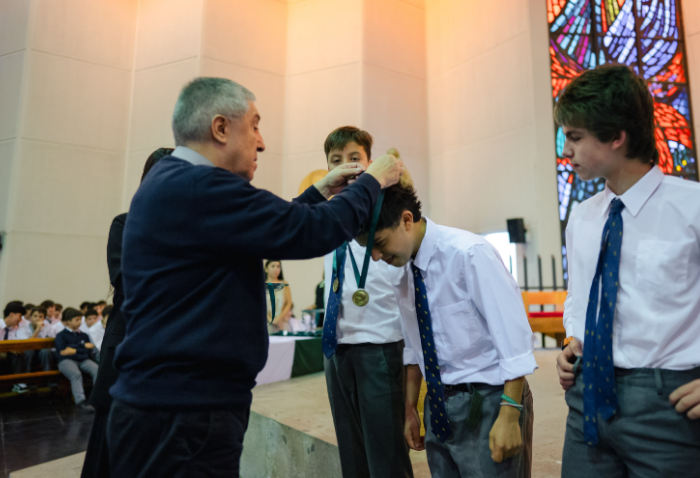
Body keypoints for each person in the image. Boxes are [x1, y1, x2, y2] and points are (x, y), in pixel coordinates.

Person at [106, 77, 402, 478]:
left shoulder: (179, 182)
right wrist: (372, 180)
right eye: (255, 125)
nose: (261, 142)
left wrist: (318, 191)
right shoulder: (202, 186)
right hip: (184, 413)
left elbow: (273, 225)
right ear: (220, 128)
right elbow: (307, 230)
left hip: (174, 406)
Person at [554, 65, 700, 477]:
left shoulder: (691, 207)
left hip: (666, 403)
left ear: (616, 137)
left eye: (575, 137)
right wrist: (572, 339)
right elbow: (580, 296)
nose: (566, 151)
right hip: (585, 396)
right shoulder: (583, 217)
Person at [356, 183, 537, 478]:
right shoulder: (400, 269)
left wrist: (509, 412)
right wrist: (410, 407)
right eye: (369, 250)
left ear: (406, 220)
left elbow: (514, 341)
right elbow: (414, 346)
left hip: (489, 400)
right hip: (438, 404)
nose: (376, 256)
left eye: (379, 243)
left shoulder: (469, 254)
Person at [321, 126, 413, 478]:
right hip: (336, 348)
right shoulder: (327, 216)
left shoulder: (386, 211)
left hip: (380, 346)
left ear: (370, 162)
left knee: (386, 457)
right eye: (336, 160)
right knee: (352, 456)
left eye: (354, 158)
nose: (346, 166)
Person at [81, 147, 174, 478]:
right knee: (109, 455)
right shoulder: (126, 223)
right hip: (126, 351)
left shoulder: (189, 230)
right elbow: (128, 280)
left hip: (167, 357)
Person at [55, 307, 98, 412]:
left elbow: (88, 350)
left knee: (97, 369)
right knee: (75, 374)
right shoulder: (61, 335)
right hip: (66, 360)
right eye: (76, 320)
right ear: (68, 321)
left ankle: (98, 398)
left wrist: (73, 349)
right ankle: (80, 401)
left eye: (80, 320)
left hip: (82, 359)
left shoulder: (83, 335)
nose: (79, 322)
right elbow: (63, 352)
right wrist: (82, 346)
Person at [17, 306, 52, 372]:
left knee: (46, 350)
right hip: (29, 351)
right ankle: (26, 374)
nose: (37, 319)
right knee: (29, 351)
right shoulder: (23, 328)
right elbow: (26, 344)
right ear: (31, 317)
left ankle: (47, 374)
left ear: (44, 318)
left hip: (42, 351)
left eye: (40, 316)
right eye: (35, 316)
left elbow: (51, 339)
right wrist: (37, 330)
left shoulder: (48, 327)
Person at [264, 260, 292, 333]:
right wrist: (269, 318)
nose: (276, 269)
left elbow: (289, 303)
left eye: (278, 266)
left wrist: (279, 317)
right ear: (266, 269)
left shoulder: (284, 284)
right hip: (267, 321)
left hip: (282, 321)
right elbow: (260, 305)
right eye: (273, 266)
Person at [1, 301, 27, 373]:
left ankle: (18, 378)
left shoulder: (12, 328)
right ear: (11, 315)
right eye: (19, 316)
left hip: (5, 354)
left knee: (18, 353)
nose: (20, 320)